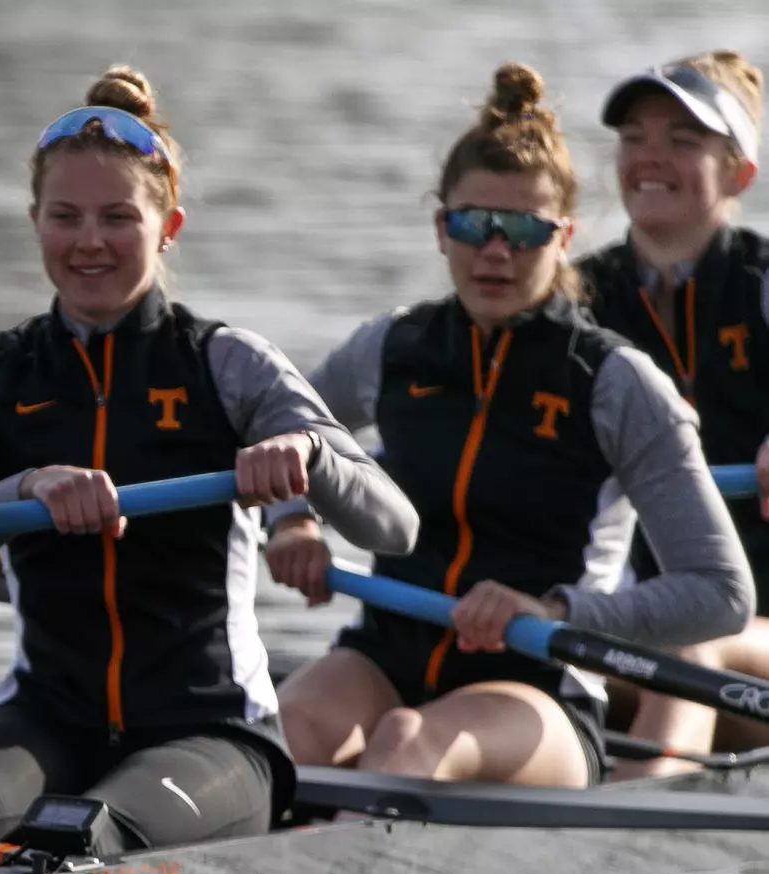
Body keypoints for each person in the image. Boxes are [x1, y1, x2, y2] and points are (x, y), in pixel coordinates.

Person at [0, 65, 419, 855]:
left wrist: (310, 455)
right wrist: (26, 488)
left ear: (168, 225)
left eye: (118, 217)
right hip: (43, 717)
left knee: (88, 837)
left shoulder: (229, 364)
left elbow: (397, 526)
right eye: (65, 217)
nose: (90, 242)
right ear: (34, 220)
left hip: (211, 732)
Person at [270, 64, 754, 788]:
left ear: (564, 238)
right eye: (473, 224)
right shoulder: (391, 348)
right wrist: (292, 520)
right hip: (385, 652)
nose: (495, 251)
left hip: (542, 679)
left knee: (407, 742)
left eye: (524, 231)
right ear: (441, 228)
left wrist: (555, 608)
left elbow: (722, 593)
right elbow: (277, 423)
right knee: (273, 742)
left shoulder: (617, 384)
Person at [576, 51, 769, 771]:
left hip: (742, 634)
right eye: (634, 136)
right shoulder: (572, 302)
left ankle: (639, 814)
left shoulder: (761, 286)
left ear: (739, 172)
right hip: (626, 619)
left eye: (683, 141)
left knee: (694, 641)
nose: (650, 158)